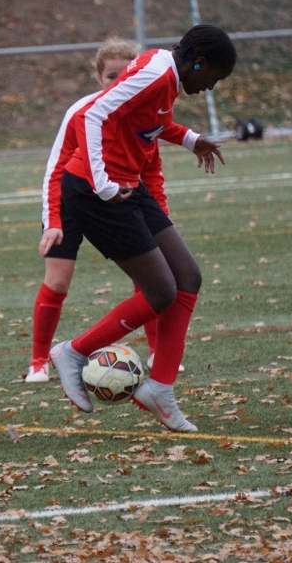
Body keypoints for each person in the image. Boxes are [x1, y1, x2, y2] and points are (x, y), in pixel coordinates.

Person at [50, 25, 236, 433]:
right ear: (198, 63)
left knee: (187, 276)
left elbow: (148, 123)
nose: (210, 87)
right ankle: (73, 352)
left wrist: (190, 139)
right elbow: (93, 113)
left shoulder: (164, 72)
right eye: (214, 78)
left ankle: (160, 389)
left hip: (128, 186)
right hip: (96, 191)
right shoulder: (157, 72)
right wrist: (100, 183)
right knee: (161, 291)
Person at [28, 38, 198, 382]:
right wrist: (53, 221)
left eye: (125, 73)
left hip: (119, 198)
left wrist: (161, 219)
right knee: (58, 282)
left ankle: (155, 352)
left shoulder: (143, 108)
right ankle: (39, 360)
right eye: (111, 75)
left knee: (151, 274)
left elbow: (150, 171)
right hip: (75, 201)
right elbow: (57, 168)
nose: (119, 80)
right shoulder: (83, 112)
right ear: (98, 77)